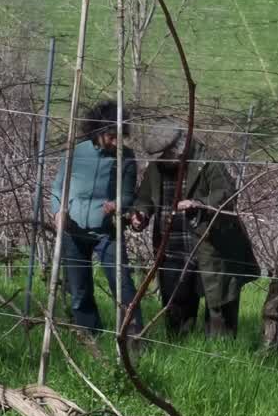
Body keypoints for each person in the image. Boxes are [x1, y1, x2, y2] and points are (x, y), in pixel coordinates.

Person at [131, 118, 259, 338]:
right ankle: (177, 350)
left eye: (167, 153)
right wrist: (140, 214)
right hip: (171, 249)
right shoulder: (157, 168)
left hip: (210, 248)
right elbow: (144, 197)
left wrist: (200, 204)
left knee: (219, 306)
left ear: (180, 147)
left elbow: (227, 195)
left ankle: (220, 356)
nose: (163, 158)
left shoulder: (207, 161)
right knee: (176, 307)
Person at [50, 100, 143, 338]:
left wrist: (118, 204)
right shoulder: (75, 152)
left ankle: (132, 338)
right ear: (98, 131)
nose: (115, 142)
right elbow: (59, 187)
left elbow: (130, 193)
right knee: (79, 290)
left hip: (108, 231)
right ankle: (90, 336)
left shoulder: (126, 158)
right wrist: (58, 210)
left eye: (119, 136)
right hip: (74, 230)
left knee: (123, 285)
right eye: (111, 136)